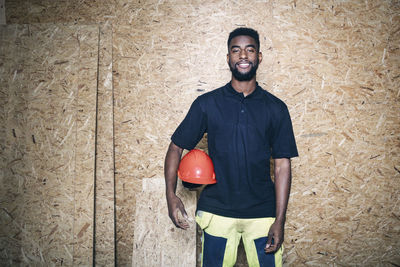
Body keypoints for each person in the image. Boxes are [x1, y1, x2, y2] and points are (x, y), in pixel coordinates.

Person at [164, 27, 298, 267]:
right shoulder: (207, 104)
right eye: (236, 50)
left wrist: (280, 219)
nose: (243, 56)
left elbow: (281, 166)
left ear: (259, 57)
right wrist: (170, 195)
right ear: (228, 58)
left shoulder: (276, 108)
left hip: (262, 215)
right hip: (217, 212)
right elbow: (175, 147)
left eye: (250, 50)